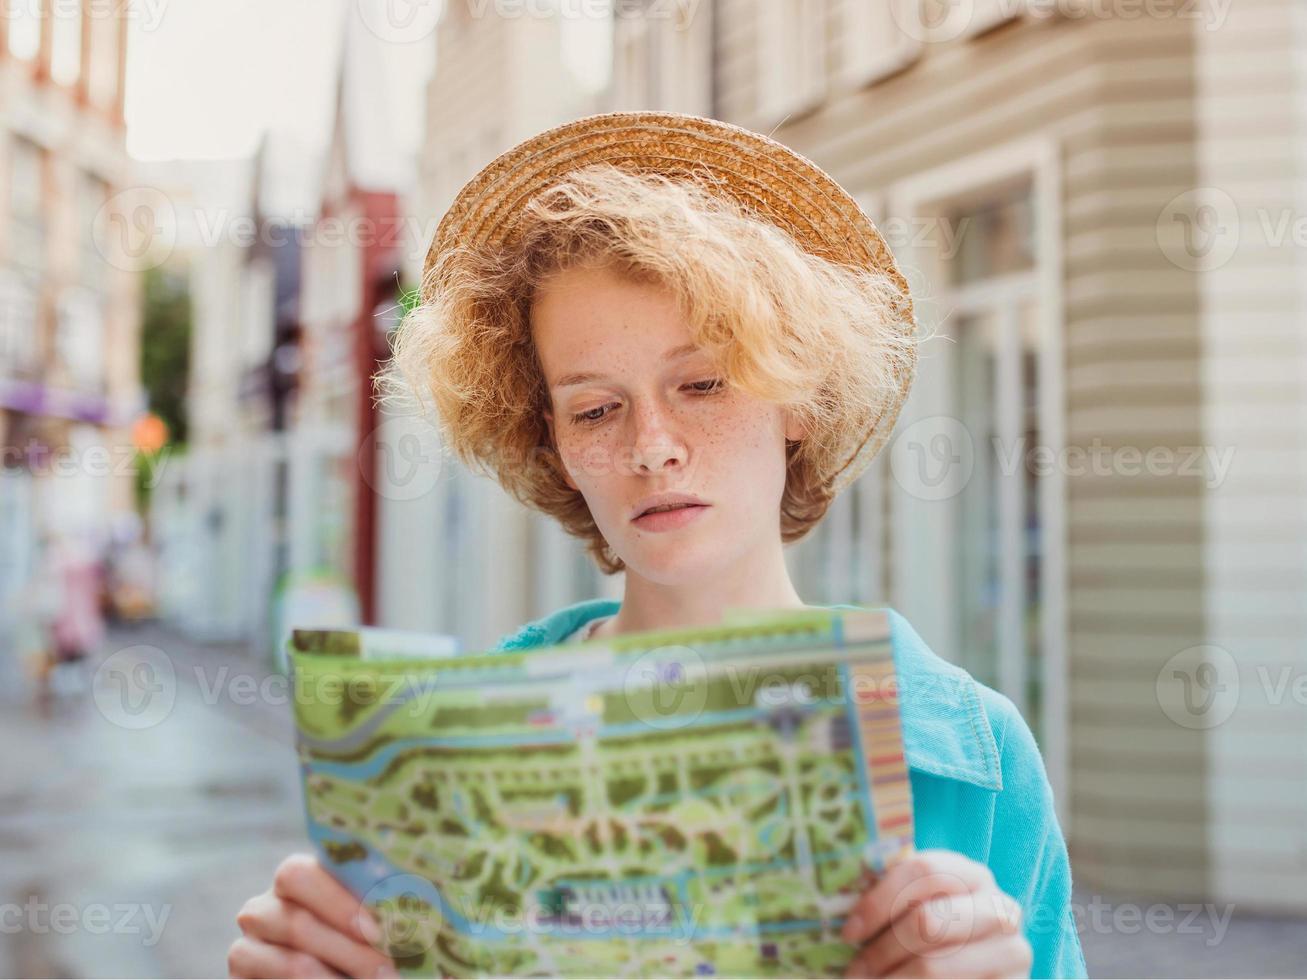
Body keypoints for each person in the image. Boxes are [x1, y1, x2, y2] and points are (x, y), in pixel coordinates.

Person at [229, 112, 1086, 979]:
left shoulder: (972, 756)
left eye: (703, 384)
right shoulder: (436, 765)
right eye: (595, 408)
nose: (651, 445)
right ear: (550, 441)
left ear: (799, 396)